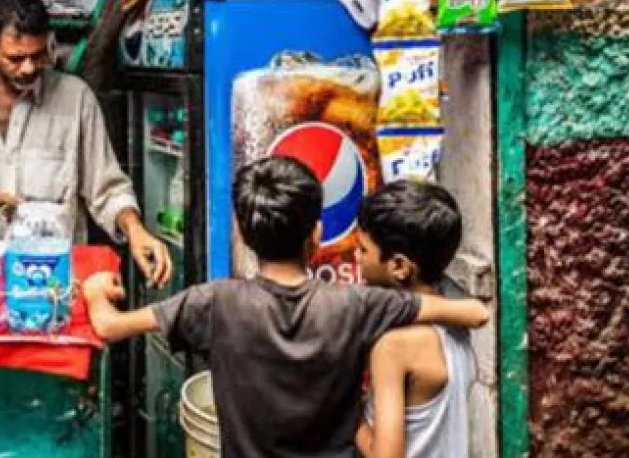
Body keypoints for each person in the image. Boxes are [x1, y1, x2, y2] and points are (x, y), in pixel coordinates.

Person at [82, 156, 490, 458]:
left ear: (242, 233)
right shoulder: (357, 304)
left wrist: (97, 289)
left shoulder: (214, 302)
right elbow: (471, 313)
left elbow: (108, 327)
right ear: (316, 233)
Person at [0, 0, 171, 286]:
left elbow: (107, 189)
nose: (29, 68)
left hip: (53, 282)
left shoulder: (75, 99)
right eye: (15, 59)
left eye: (38, 54)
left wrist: (136, 230)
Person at [355, 181, 476, 458]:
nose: (357, 258)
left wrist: (348, 413)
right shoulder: (453, 319)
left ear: (399, 266)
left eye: (363, 250)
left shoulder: (395, 345)